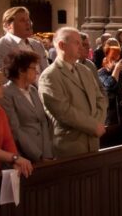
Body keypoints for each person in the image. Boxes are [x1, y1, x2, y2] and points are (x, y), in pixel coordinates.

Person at [38, 27, 108, 158]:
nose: (81, 46)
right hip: (70, 146)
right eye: (77, 43)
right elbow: (63, 111)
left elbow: (100, 98)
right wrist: (93, 126)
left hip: (93, 142)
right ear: (61, 45)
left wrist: (99, 122)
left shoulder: (85, 70)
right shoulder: (50, 76)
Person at [0, 51, 54, 162]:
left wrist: (47, 153)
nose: (37, 72)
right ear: (20, 70)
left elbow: (43, 121)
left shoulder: (33, 90)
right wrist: (37, 155)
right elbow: (15, 130)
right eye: (33, 68)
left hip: (44, 152)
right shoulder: (5, 94)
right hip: (24, 156)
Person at [0, 6, 48, 73]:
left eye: (28, 20)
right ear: (8, 25)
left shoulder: (37, 45)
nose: (28, 23)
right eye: (22, 20)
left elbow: (46, 72)